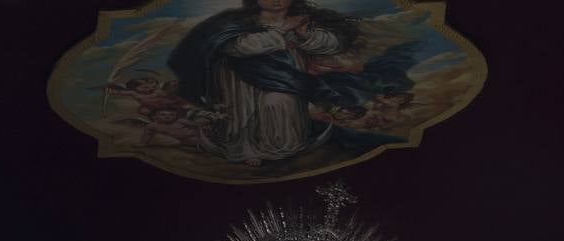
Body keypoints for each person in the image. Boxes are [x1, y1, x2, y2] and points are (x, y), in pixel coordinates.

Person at [167, 0, 417, 167]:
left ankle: (279, 147)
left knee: (279, 102)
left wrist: (305, 35)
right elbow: (237, 47)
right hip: (240, 79)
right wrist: (280, 32)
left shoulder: (302, 20)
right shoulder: (233, 22)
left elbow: (332, 43)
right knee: (245, 111)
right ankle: (242, 147)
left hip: (285, 76)